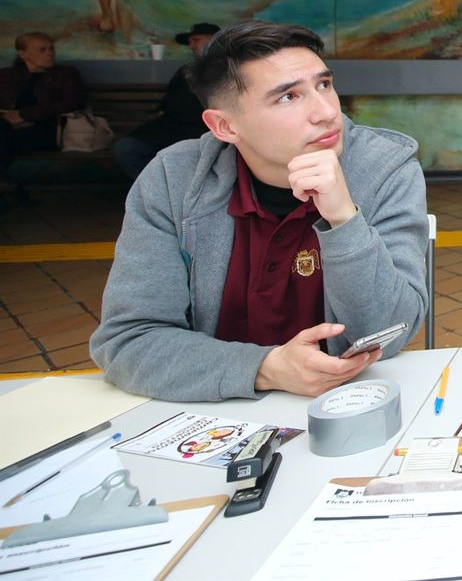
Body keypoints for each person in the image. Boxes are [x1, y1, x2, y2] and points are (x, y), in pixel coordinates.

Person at [90, 21, 429, 403]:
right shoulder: (174, 180)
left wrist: (344, 218)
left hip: (348, 401)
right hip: (213, 410)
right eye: (288, 97)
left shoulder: (384, 168)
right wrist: (266, 368)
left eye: (324, 85)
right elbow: (128, 341)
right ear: (225, 125)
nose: (325, 111)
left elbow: (393, 329)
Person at [112, 22, 219, 180]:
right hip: (171, 131)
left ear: (213, 40)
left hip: (208, 133)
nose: (191, 45)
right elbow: (168, 104)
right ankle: (159, 193)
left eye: (196, 40)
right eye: (190, 42)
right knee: (127, 148)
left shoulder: (229, 70)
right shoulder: (185, 71)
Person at [0, 32, 87, 184]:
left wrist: (24, 115)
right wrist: (8, 119)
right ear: (22, 53)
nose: (50, 53)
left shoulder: (66, 74)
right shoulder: (6, 76)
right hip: (7, 127)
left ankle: (12, 192)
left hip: (47, 130)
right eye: (42, 50)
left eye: (51, 49)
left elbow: (72, 102)